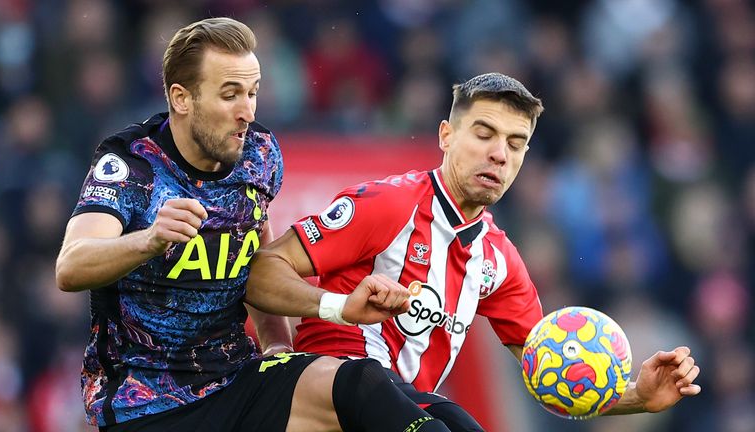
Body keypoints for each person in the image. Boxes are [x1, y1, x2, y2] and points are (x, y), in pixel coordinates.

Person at [55, 17, 452, 432]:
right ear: (181, 98)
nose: (246, 112)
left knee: (372, 388)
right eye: (230, 95)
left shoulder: (258, 155)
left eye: (253, 93)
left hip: (234, 379)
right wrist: (149, 240)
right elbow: (71, 266)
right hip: (148, 405)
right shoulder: (131, 166)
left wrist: (278, 343)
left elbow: (256, 259)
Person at [246, 72, 702, 431]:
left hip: (403, 410)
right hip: (332, 398)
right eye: (484, 133)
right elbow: (262, 273)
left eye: (515, 143)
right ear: (446, 135)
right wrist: (335, 309)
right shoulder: (388, 204)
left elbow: (555, 377)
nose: (500, 154)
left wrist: (636, 397)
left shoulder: (499, 261)